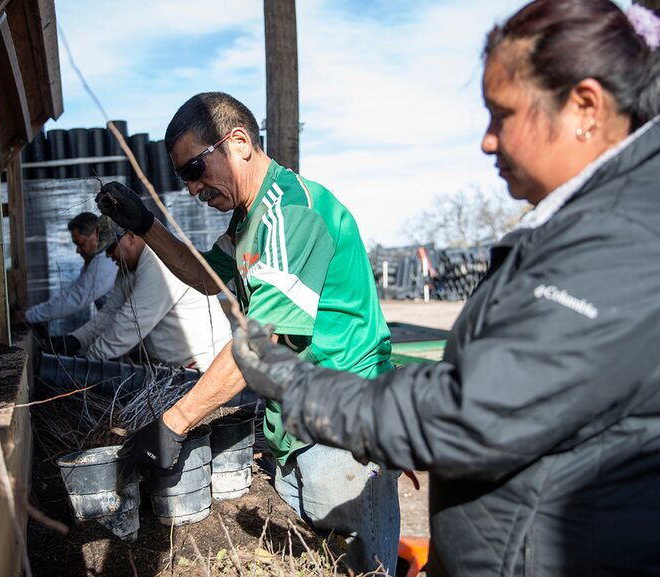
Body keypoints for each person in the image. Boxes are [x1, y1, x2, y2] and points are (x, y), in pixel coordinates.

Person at [231, 2, 660, 576]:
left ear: (584, 107)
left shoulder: (618, 243)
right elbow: (511, 378)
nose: (486, 141)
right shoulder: (589, 224)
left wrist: (296, 383)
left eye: (501, 115)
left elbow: (471, 414)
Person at [98, 93, 399, 572]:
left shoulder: (291, 213)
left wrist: (175, 422)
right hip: (296, 421)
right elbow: (203, 276)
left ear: (238, 142)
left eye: (196, 168)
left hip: (341, 427)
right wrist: (146, 225)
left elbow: (261, 343)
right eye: (183, 177)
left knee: (359, 566)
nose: (194, 188)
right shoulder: (248, 221)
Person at [67, 226, 231, 371]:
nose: (109, 255)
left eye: (112, 248)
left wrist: (89, 360)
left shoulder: (159, 263)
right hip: (174, 368)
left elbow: (131, 323)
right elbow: (109, 313)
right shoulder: (127, 269)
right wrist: (75, 339)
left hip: (203, 366)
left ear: (130, 236)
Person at [24, 212, 118, 325]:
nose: (78, 250)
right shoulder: (94, 262)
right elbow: (74, 291)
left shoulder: (105, 260)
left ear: (95, 234)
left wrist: (30, 316)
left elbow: (76, 298)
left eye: (80, 243)